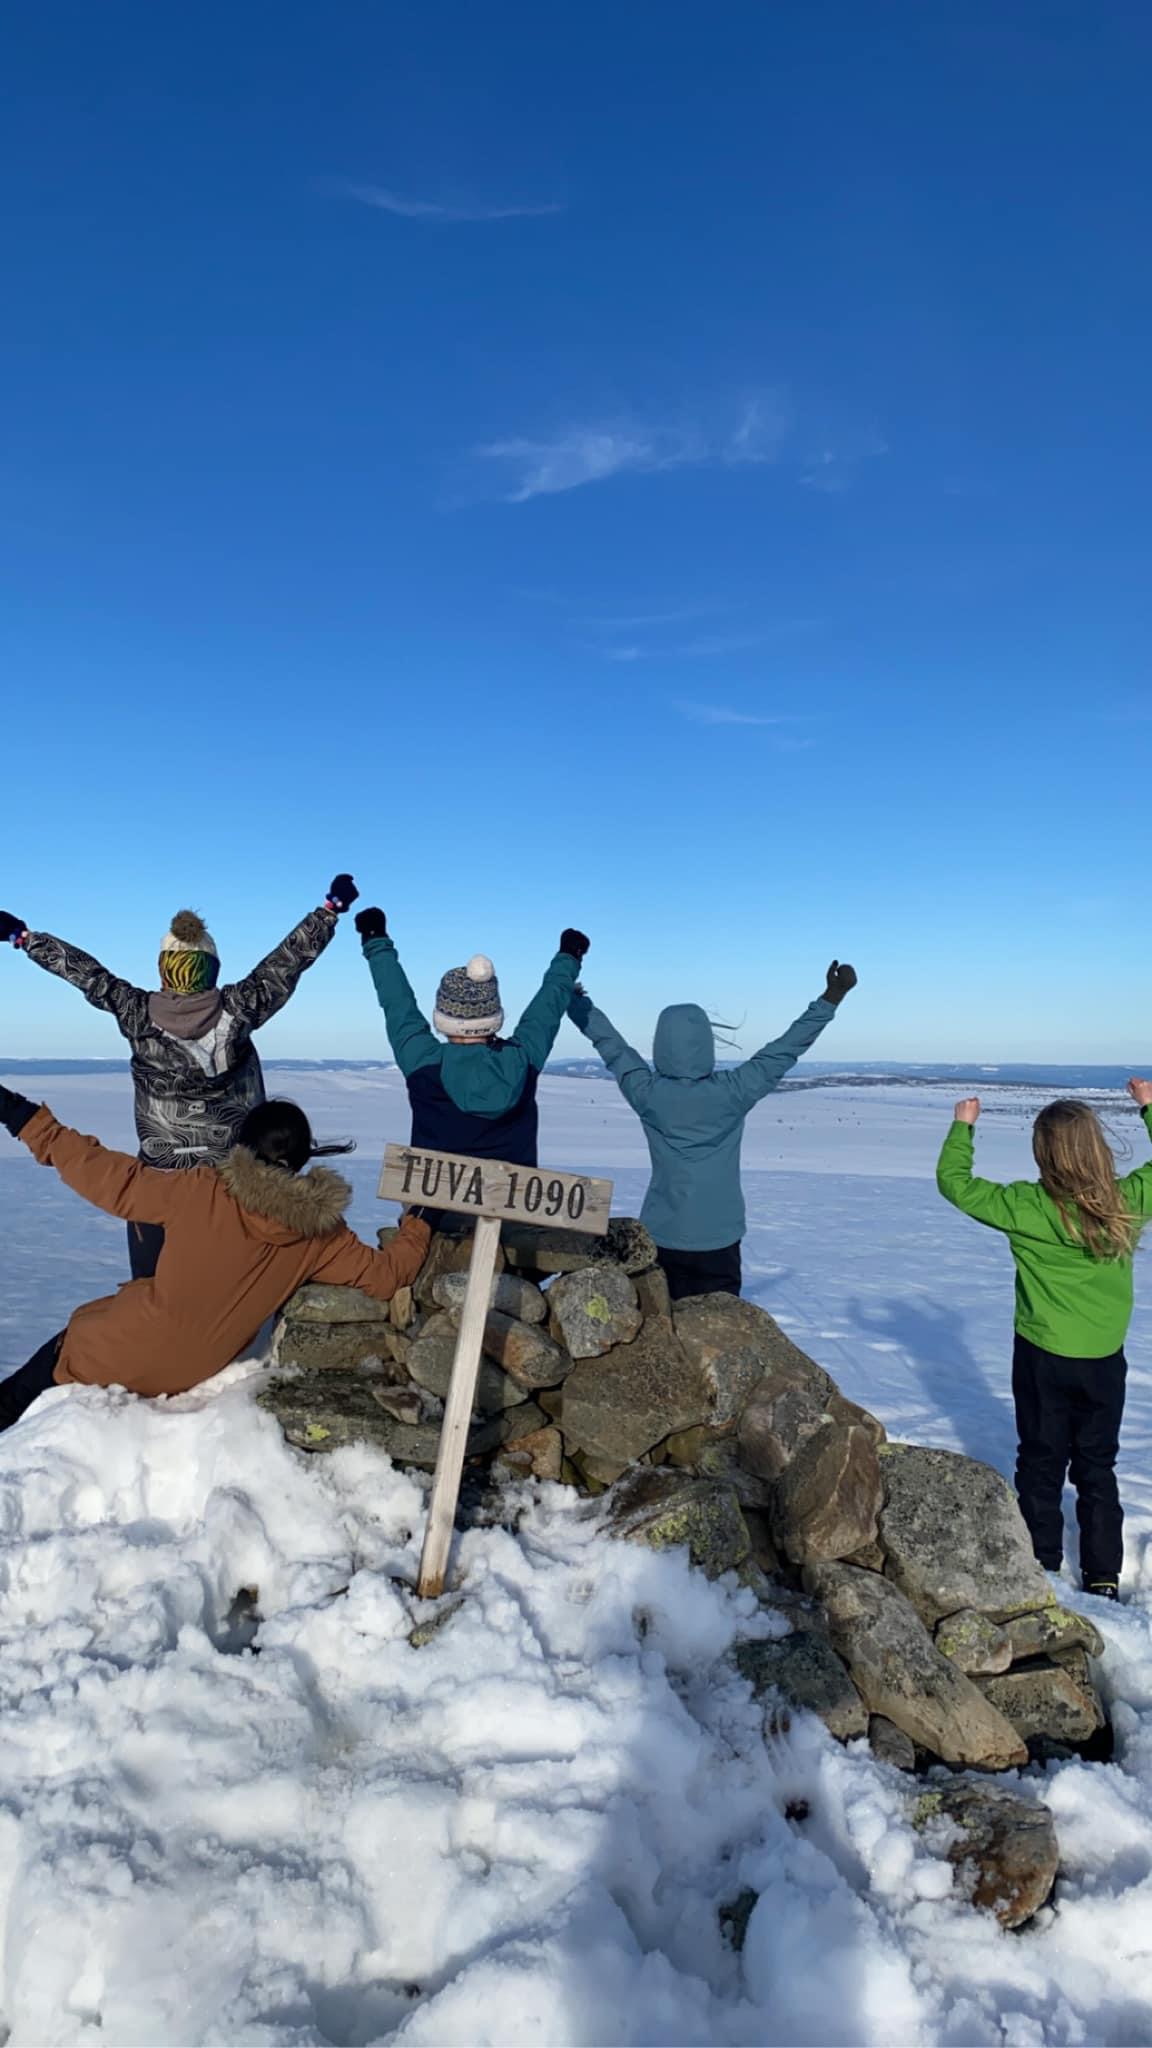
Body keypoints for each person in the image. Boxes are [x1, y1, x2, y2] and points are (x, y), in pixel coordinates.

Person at [0, 1085, 431, 1433]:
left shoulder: (204, 1190)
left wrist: (28, 1120)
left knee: (31, 1381)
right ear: (301, 1160)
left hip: (117, 1351)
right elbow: (386, 1276)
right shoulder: (320, 1234)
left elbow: (111, 1178)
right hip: (194, 1369)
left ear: (243, 1147)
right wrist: (419, 1222)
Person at [0, 875, 360, 1279]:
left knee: (151, 1295)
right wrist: (328, 911)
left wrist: (24, 937)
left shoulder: (135, 1013)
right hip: (238, 1187)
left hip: (159, 1187)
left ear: (164, 971)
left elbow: (87, 974)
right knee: (234, 1294)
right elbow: (287, 962)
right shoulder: (240, 1010)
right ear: (211, 968)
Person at [937, 1081, 1152, 1601]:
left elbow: (955, 1183)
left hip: (1041, 1358)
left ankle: (1043, 1564)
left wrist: (963, 1125)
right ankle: (1102, 1576)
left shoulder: (1026, 1207)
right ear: (1097, 1149)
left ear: (1043, 1154)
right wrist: (1148, 1106)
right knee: (1097, 1466)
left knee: (1040, 1460)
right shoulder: (1128, 1202)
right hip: (1103, 1360)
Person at [566, 961, 858, 1300]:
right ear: (706, 1043)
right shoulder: (734, 1090)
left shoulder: (648, 1093)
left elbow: (611, 1044)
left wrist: (574, 1001)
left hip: (662, 1234)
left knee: (663, 1330)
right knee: (718, 1336)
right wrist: (831, 997)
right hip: (720, 1237)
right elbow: (785, 1048)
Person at [355, 908, 590, 1167]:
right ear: (492, 1014)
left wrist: (375, 941)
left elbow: (397, 1003)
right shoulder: (521, 1059)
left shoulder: (422, 1059)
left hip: (432, 1206)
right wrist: (568, 957)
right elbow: (546, 1008)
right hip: (509, 1205)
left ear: (443, 1017)